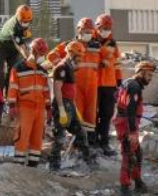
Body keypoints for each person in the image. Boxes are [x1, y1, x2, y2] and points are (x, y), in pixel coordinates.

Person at [49, 41, 96, 171]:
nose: (80, 59)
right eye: (78, 56)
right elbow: (57, 89)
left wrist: (73, 107)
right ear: (71, 54)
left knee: (81, 132)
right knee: (60, 135)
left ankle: (86, 161)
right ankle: (54, 165)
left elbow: (70, 90)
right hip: (62, 104)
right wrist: (61, 109)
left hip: (69, 104)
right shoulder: (62, 67)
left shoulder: (69, 67)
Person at [6, 37, 50, 168]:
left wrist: (49, 108)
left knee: (37, 140)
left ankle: (33, 167)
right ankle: (18, 168)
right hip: (25, 107)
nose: (42, 56)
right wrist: (12, 105)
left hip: (40, 108)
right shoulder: (19, 68)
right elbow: (13, 87)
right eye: (41, 54)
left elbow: (46, 91)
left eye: (43, 54)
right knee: (22, 138)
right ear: (33, 51)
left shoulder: (43, 71)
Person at [116, 61, 155, 196]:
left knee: (137, 154)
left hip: (126, 122)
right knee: (129, 155)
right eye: (149, 75)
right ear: (141, 73)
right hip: (127, 123)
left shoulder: (129, 83)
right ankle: (124, 188)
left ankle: (138, 182)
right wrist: (132, 132)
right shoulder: (134, 87)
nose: (150, 78)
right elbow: (130, 109)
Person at [70, 17, 103, 146]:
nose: (88, 34)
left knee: (91, 116)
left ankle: (90, 144)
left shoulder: (96, 46)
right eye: (86, 31)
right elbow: (53, 56)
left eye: (90, 31)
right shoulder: (71, 45)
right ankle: (77, 144)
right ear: (79, 30)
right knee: (78, 115)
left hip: (92, 86)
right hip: (76, 85)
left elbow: (103, 61)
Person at [95, 14, 121, 156]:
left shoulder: (112, 43)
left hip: (109, 84)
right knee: (92, 114)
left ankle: (104, 142)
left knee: (107, 114)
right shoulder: (89, 40)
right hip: (93, 83)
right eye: (104, 28)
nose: (107, 31)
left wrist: (119, 81)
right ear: (98, 27)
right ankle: (92, 141)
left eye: (109, 28)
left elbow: (117, 64)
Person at [0, 5, 33, 91]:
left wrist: (31, 53)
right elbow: (20, 46)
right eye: (24, 22)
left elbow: (27, 42)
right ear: (18, 18)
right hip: (0, 46)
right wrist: (29, 59)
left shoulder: (24, 21)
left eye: (28, 22)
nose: (26, 25)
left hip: (12, 48)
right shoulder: (14, 27)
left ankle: (9, 97)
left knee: (12, 73)